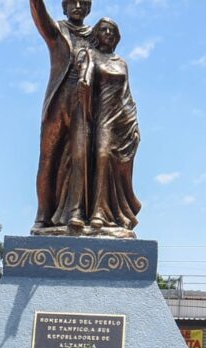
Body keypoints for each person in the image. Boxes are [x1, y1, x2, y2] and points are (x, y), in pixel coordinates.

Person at [30, 0, 96, 230]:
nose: (77, 6)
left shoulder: (95, 36)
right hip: (58, 100)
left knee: (82, 158)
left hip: (83, 102)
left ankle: (78, 213)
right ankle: (42, 216)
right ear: (64, 8)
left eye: (82, 3)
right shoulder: (57, 31)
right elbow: (39, 13)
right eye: (71, 2)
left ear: (88, 9)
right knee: (48, 159)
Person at [82, 16, 141, 229]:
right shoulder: (91, 55)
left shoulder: (122, 62)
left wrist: (133, 122)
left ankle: (111, 214)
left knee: (114, 165)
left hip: (122, 119)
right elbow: (86, 77)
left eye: (111, 31)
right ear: (97, 33)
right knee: (101, 156)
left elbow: (128, 94)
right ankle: (96, 211)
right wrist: (84, 82)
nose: (107, 33)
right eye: (104, 30)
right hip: (100, 117)